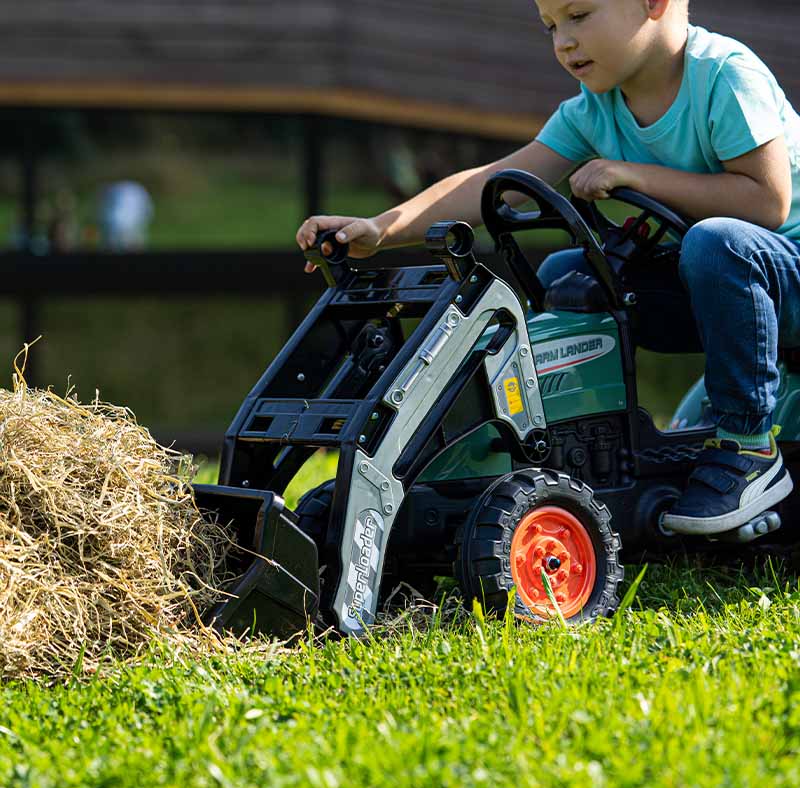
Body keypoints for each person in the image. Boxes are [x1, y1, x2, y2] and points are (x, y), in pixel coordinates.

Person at [295, 0, 800, 536]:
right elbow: (492, 177)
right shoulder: (595, 109)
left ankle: (748, 448)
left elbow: (766, 203)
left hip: (780, 273)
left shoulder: (725, 75)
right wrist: (382, 230)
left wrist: (638, 176)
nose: (563, 41)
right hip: (724, 286)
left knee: (714, 242)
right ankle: (583, 453)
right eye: (551, 26)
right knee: (571, 275)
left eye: (579, 16)